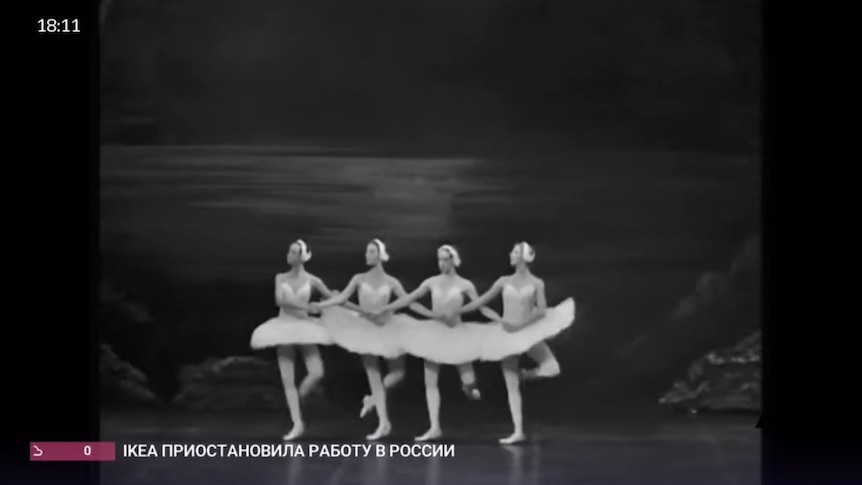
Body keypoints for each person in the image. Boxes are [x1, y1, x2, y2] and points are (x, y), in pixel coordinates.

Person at [372, 244, 504, 441]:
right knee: (430, 381)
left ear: (453, 260)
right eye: (439, 260)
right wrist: (386, 308)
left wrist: (501, 321)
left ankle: (468, 388)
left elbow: (481, 307)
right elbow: (408, 299)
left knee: (469, 383)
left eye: (445, 259)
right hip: (434, 334)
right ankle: (434, 426)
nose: (441, 263)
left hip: (458, 333)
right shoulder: (431, 282)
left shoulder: (465, 284)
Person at [312, 238, 435, 440]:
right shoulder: (359, 278)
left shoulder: (391, 281)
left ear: (379, 255)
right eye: (367, 252)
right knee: (373, 375)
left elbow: (409, 302)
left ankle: (372, 400)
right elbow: (342, 298)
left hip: (388, 327)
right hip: (365, 329)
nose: (366, 255)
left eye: (370, 252)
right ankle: (383, 423)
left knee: (398, 372)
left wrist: (431, 314)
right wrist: (323, 305)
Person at [454, 241, 576, 443]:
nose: (511, 254)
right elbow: (480, 301)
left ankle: (526, 374)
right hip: (506, 335)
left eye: (515, 251)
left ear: (523, 257)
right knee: (511, 385)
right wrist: (459, 310)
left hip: (527, 332)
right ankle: (518, 430)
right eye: (512, 250)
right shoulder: (503, 281)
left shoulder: (537, 283)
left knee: (552, 368)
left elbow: (541, 311)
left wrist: (520, 327)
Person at [249, 239, 344, 441]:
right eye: (289, 251)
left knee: (317, 371)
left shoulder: (313, 280)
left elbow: (333, 297)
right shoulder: (280, 277)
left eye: (293, 252)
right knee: (287, 378)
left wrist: (332, 303)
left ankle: (300, 397)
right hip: (283, 326)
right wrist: (307, 307)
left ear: (302, 257)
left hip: (305, 327)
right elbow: (280, 300)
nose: (289, 255)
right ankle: (297, 423)